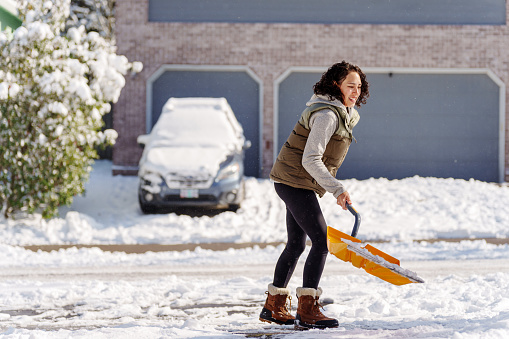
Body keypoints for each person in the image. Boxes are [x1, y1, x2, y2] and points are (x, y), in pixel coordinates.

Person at [259, 61, 369, 329]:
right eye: (349, 86)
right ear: (336, 86)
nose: (355, 91)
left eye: (359, 86)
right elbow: (311, 159)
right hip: (295, 181)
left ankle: (274, 306)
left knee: (297, 244)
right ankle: (307, 310)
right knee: (321, 241)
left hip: (295, 180)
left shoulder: (342, 112)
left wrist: (333, 187)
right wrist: (337, 189)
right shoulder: (327, 115)